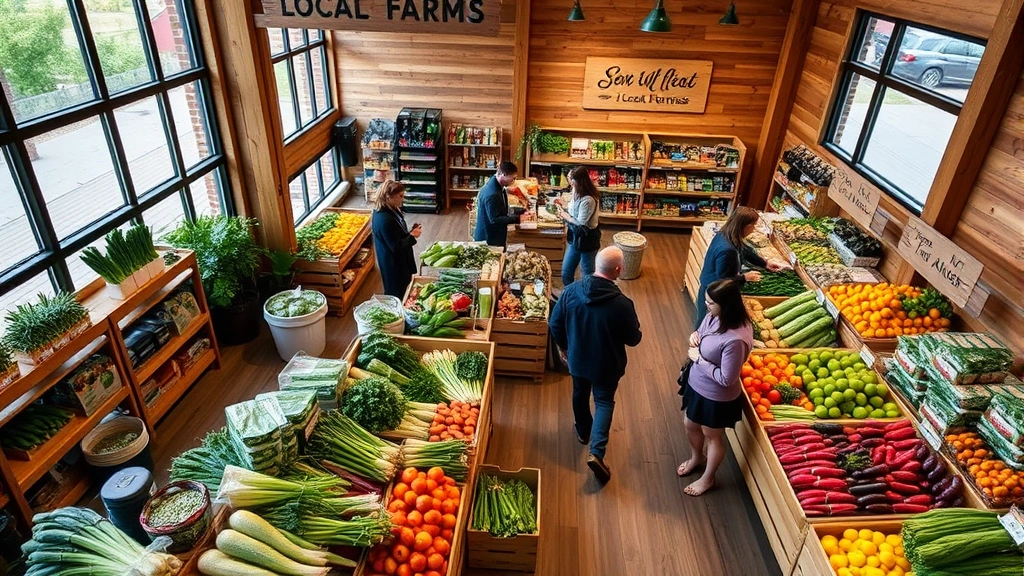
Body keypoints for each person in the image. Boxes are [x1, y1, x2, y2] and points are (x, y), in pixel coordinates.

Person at [549, 246, 642, 483]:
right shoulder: (622, 304)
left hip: (577, 359)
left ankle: (582, 431)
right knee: (603, 402)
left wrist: (565, 348)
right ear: (618, 270)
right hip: (607, 364)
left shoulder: (571, 291)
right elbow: (633, 339)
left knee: (580, 393)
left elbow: (555, 324)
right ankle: (596, 452)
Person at [677, 278, 753, 496]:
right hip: (696, 384)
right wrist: (696, 336)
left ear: (726, 305)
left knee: (713, 436)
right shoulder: (715, 316)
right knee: (690, 424)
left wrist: (699, 359)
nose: (706, 306)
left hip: (716, 397)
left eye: (710, 303)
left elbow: (727, 378)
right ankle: (696, 457)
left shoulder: (735, 341)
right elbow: (703, 330)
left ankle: (708, 478)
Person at [695, 206, 783, 327]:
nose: (754, 229)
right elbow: (724, 280)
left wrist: (765, 263)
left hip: (709, 285)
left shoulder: (726, 234)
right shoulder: (727, 250)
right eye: (754, 225)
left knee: (705, 321)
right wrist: (744, 277)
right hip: (713, 292)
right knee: (705, 323)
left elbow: (744, 250)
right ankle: (699, 342)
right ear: (746, 226)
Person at [371, 180, 421, 298]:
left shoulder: (390, 209)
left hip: (399, 262)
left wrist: (409, 232)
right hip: (394, 265)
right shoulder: (384, 220)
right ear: (389, 197)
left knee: (403, 288)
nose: (402, 199)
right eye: (400, 196)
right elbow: (396, 247)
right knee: (397, 293)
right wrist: (413, 236)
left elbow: (396, 233)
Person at [556, 166, 601, 286]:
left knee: (587, 272)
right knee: (566, 272)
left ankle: (587, 297)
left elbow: (581, 222)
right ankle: (570, 293)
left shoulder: (589, 200)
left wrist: (565, 216)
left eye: (571, 179)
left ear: (579, 181)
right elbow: (573, 209)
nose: (569, 181)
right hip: (575, 237)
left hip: (587, 240)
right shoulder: (576, 190)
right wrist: (564, 205)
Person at [473, 161, 522, 247]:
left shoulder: (496, 185)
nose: (513, 181)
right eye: (513, 178)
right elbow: (495, 220)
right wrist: (518, 219)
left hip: (493, 235)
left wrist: (519, 211)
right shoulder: (492, 194)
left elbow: (501, 207)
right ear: (503, 174)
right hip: (489, 239)